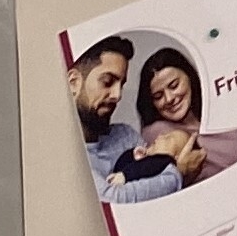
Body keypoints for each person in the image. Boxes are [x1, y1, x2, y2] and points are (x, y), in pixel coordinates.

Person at [66, 36, 198, 202]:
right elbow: (111, 199)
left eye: (121, 85)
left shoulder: (125, 135)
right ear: (73, 83)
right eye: (107, 82)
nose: (117, 95)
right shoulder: (67, 154)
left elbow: (156, 169)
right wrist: (179, 173)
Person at [137, 46, 237, 185]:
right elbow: (160, 186)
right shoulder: (157, 132)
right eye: (158, 96)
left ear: (189, 78)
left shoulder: (223, 108)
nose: (169, 98)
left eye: (174, 86)